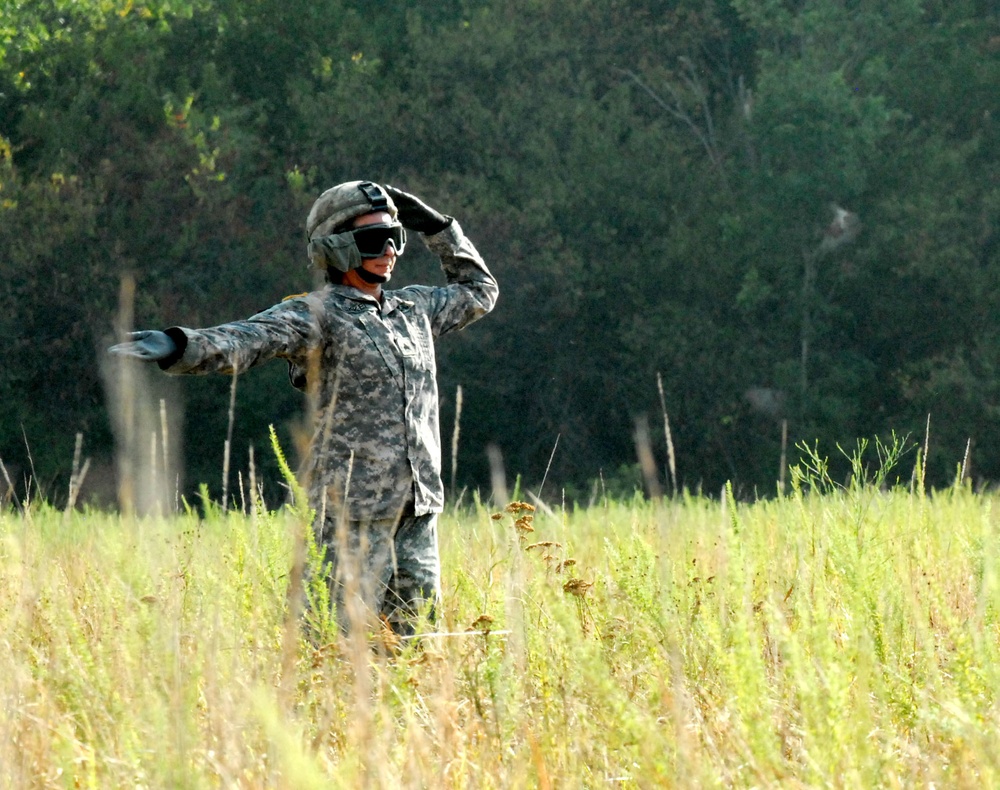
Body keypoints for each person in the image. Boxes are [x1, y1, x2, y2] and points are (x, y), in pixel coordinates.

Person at [110, 181, 498, 636]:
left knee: (417, 651)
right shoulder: (317, 315)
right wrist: (181, 345)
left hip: (416, 514)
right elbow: (246, 339)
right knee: (332, 648)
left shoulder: (414, 309)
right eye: (374, 240)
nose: (390, 250)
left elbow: (479, 291)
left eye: (396, 237)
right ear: (336, 246)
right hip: (350, 518)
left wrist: (438, 228)